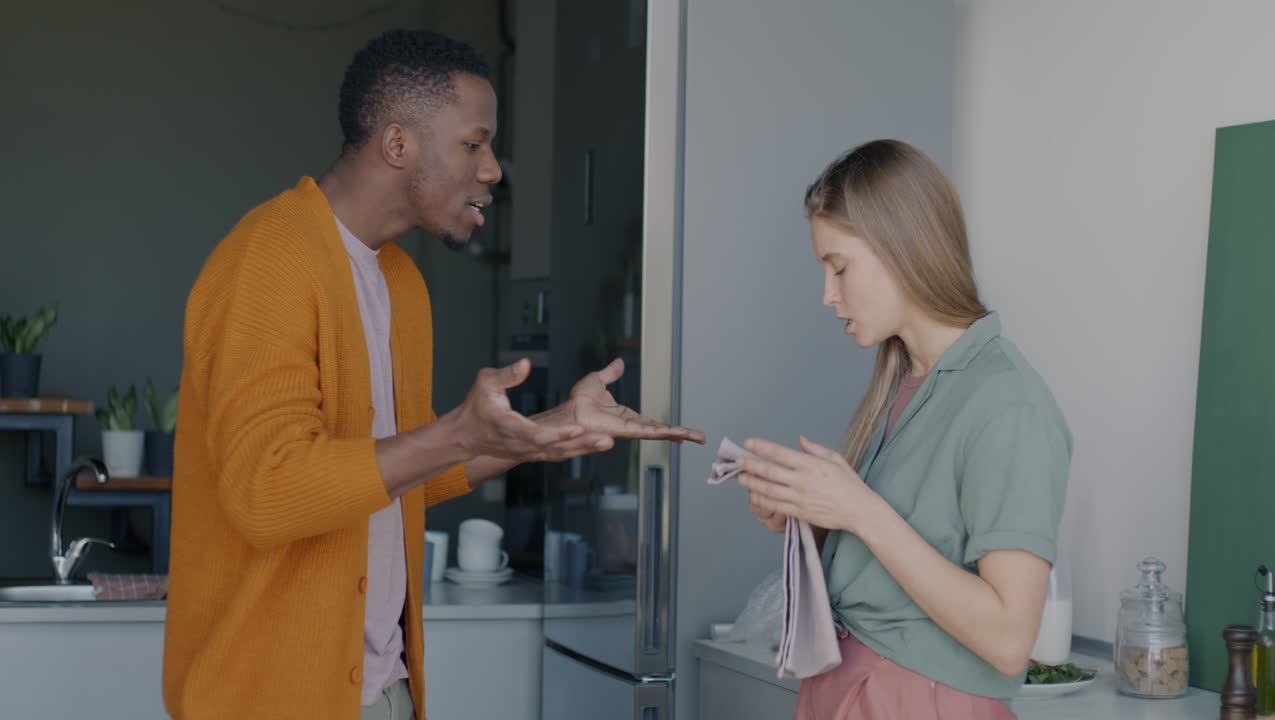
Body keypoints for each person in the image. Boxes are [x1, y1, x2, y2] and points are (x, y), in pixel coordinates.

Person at [162, 29, 704, 720]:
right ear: (398, 145)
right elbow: (267, 492)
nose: (494, 169)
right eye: (474, 144)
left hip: (384, 689)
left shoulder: (400, 282)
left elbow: (398, 470)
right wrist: (455, 434)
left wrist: (540, 432)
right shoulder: (270, 260)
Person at [737, 139, 1070, 718]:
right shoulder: (903, 381)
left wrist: (858, 509)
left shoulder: (1007, 403)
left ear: (903, 250)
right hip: (846, 687)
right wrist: (811, 519)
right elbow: (890, 559)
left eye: (839, 268)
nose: (827, 295)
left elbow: (1011, 640)